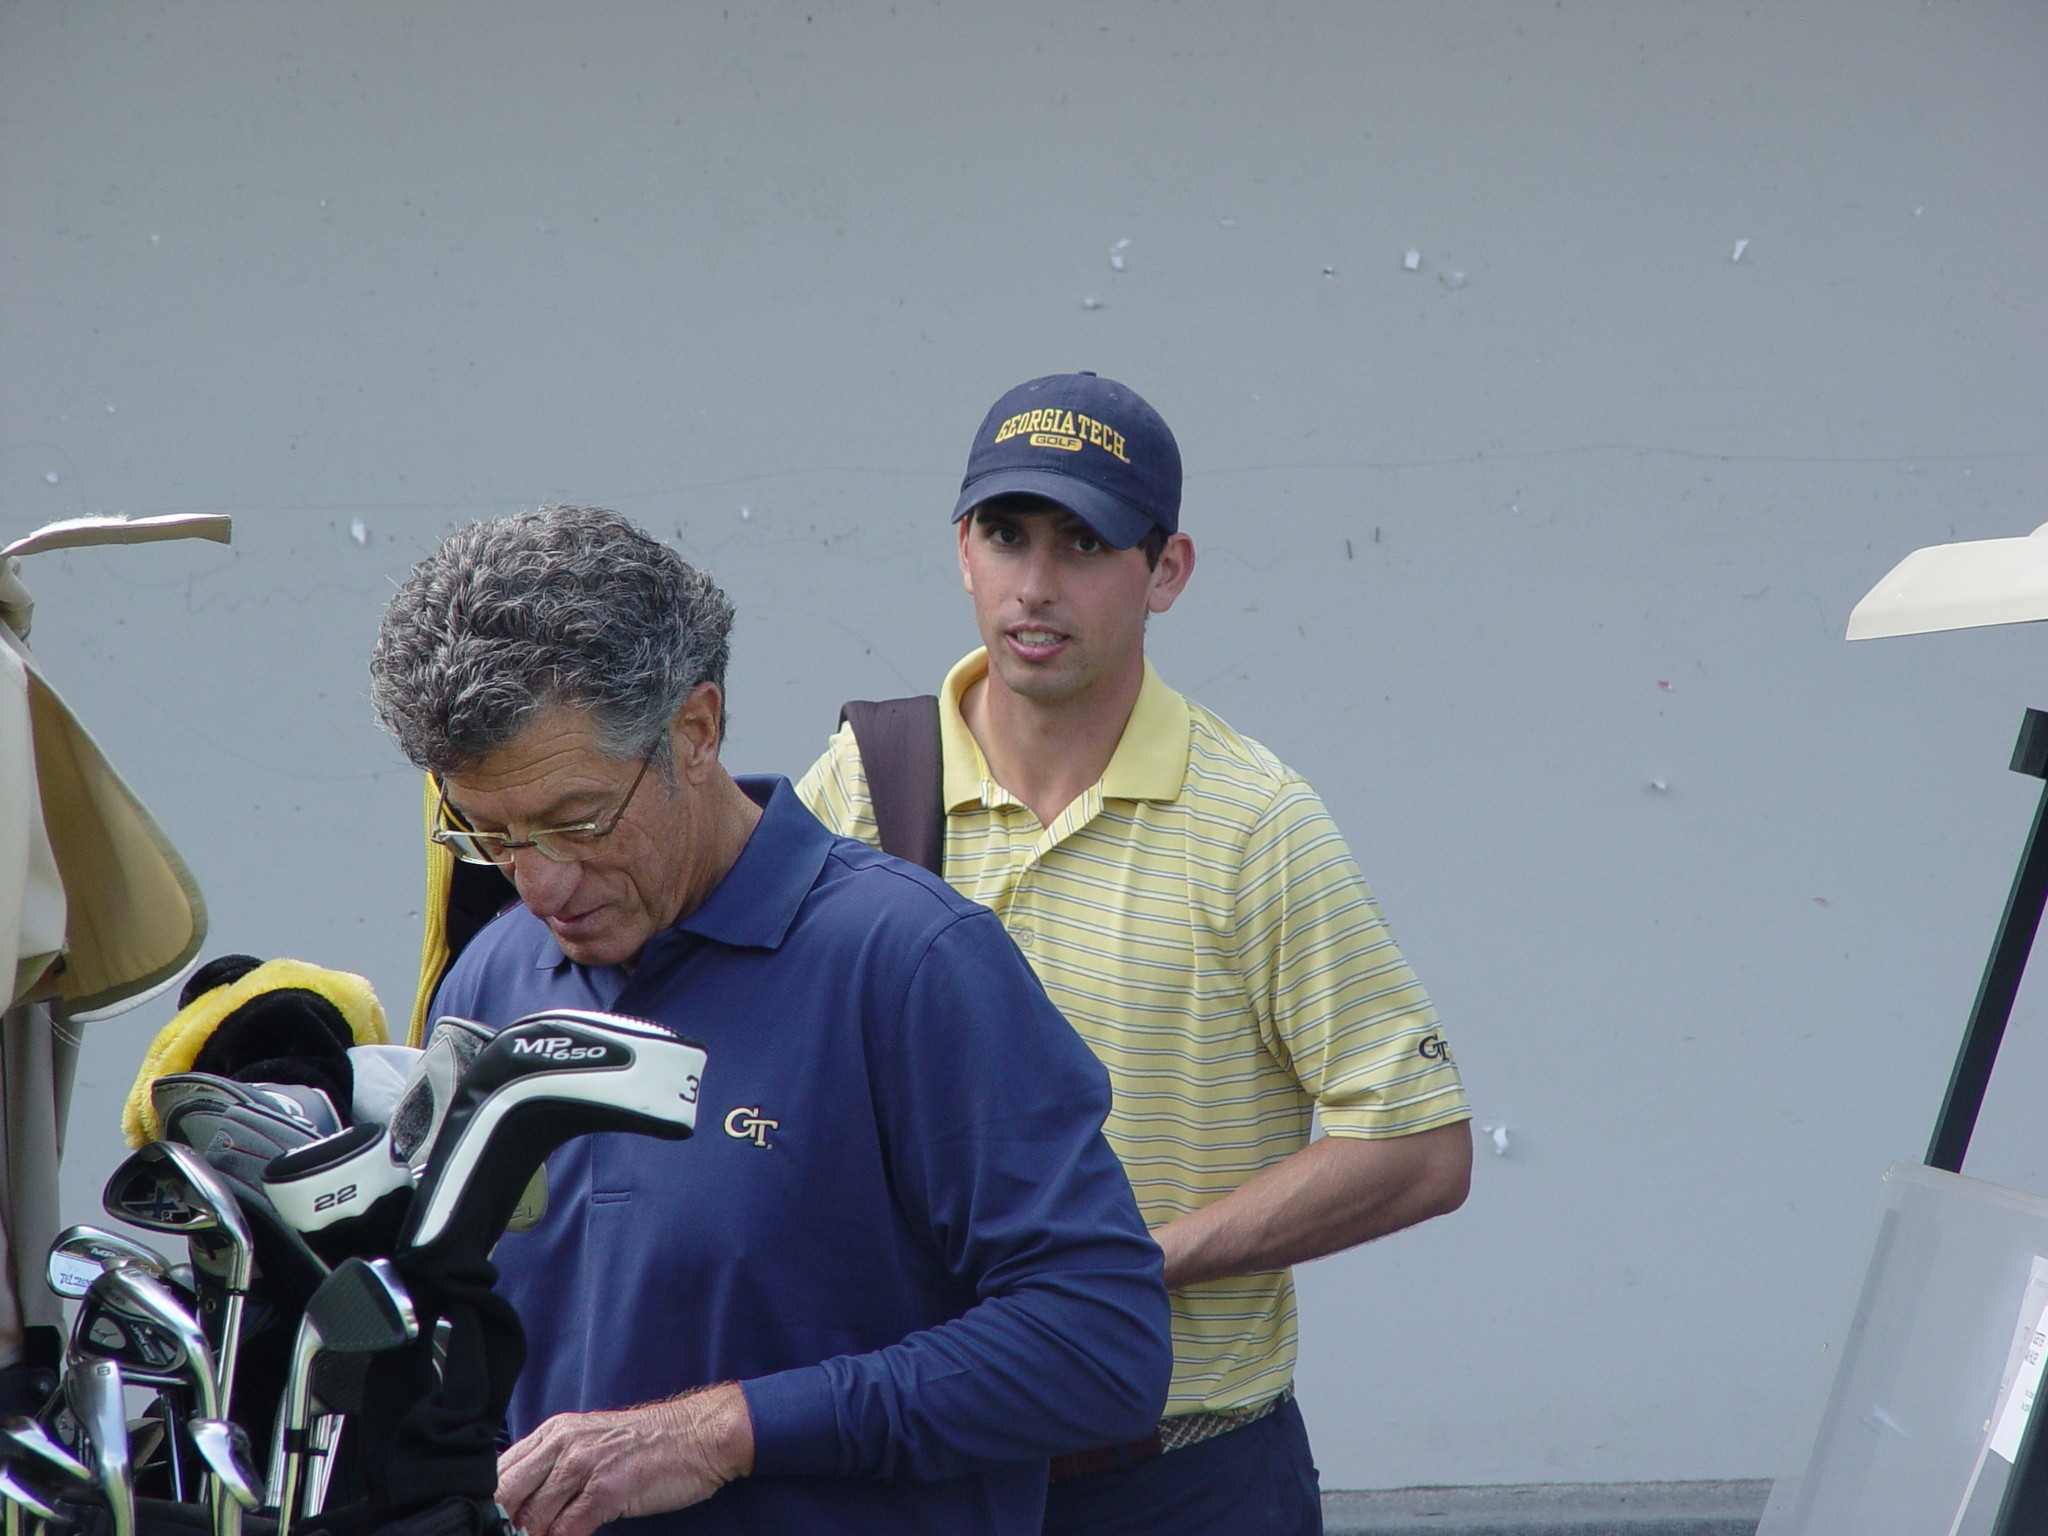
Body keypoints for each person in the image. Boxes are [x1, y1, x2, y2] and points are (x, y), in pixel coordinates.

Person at [368, 506, 1172, 1536]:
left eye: (578, 821)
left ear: (694, 731)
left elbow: (1098, 1347)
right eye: (489, 833)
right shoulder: (493, 977)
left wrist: (721, 1431)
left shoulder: (911, 966)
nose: (542, 882)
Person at [798, 373, 1473, 1536]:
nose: (1035, 583)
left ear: (1166, 571)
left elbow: (1417, 1148)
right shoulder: (863, 784)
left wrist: (1119, 1267)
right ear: (961, 549)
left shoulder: (1251, 821)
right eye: (1006, 535)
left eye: (1085, 541)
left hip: (1180, 1478)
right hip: (915, 1466)